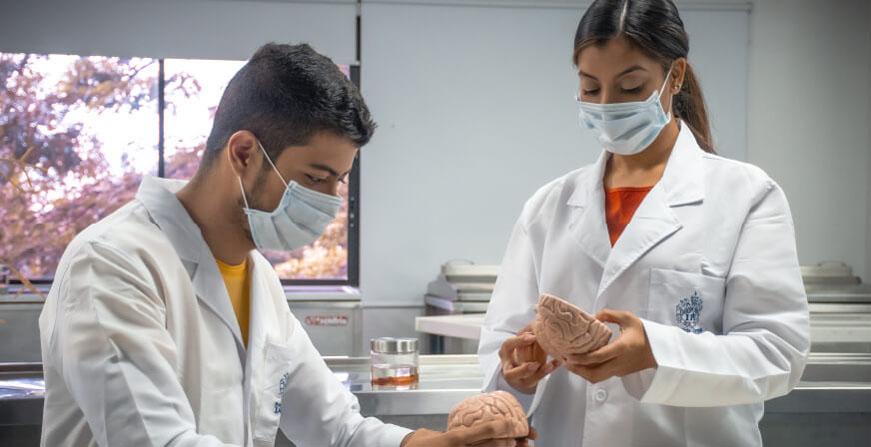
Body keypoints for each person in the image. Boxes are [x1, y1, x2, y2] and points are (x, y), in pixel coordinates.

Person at [39, 43, 530, 447]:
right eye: (315, 178)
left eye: (340, 182)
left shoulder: (259, 280)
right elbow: (160, 442)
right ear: (244, 153)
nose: (330, 203)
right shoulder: (112, 264)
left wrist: (428, 444)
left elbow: (336, 429)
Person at [477, 1, 810, 445]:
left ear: (675, 76)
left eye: (631, 87)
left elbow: (778, 354)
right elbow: (502, 343)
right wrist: (516, 372)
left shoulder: (747, 196)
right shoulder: (549, 205)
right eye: (591, 89)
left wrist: (657, 353)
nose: (608, 106)